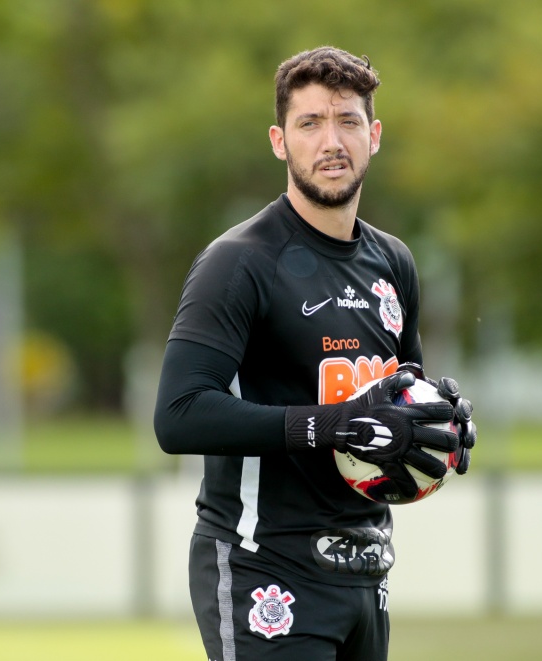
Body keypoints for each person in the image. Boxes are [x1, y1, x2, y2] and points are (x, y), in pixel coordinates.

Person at [153, 46, 477, 661]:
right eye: (310, 124)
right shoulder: (239, 262)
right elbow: (179, 415)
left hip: (365, 568)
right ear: (279, 141)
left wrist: (440, 425)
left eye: (348, 121)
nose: (332, 141)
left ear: (374, 135)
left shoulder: (394, 263)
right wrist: (332, 425)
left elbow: (399, 398)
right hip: (261, 563)